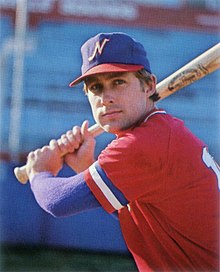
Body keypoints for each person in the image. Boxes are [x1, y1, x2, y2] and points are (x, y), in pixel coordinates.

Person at [26, 32, 219, 271]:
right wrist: (86, 168)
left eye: (118, 82)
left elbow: (58, 202)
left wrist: (39, 172)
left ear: (148, 85)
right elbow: (144, 218)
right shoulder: (162, 131)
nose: (106, 98)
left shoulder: (145, 143)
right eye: (96, 87)